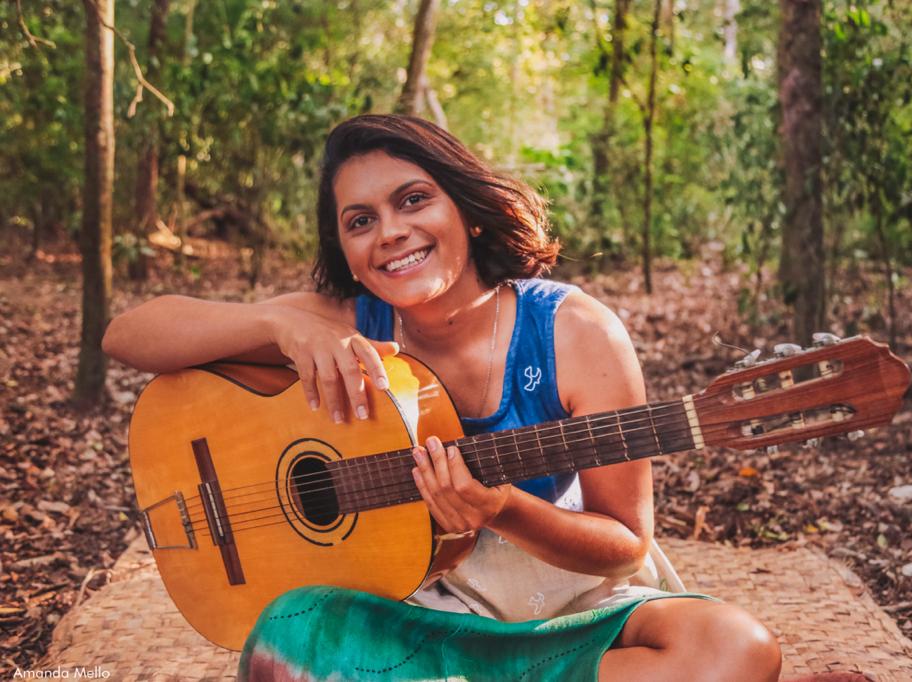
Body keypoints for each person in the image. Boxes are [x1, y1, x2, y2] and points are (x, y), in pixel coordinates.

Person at [103, 114, 781, 681]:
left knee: (735, 650)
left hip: (564, 600)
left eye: (412, 200)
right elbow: (129, 335)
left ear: (467, 210)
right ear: (344, 247)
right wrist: (274, 324)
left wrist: (503, 509)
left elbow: (625, 545)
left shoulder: (574, 331)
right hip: (418, 607)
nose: (391, 232)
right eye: (359, 220)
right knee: (283, 640)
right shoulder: (346, 322)